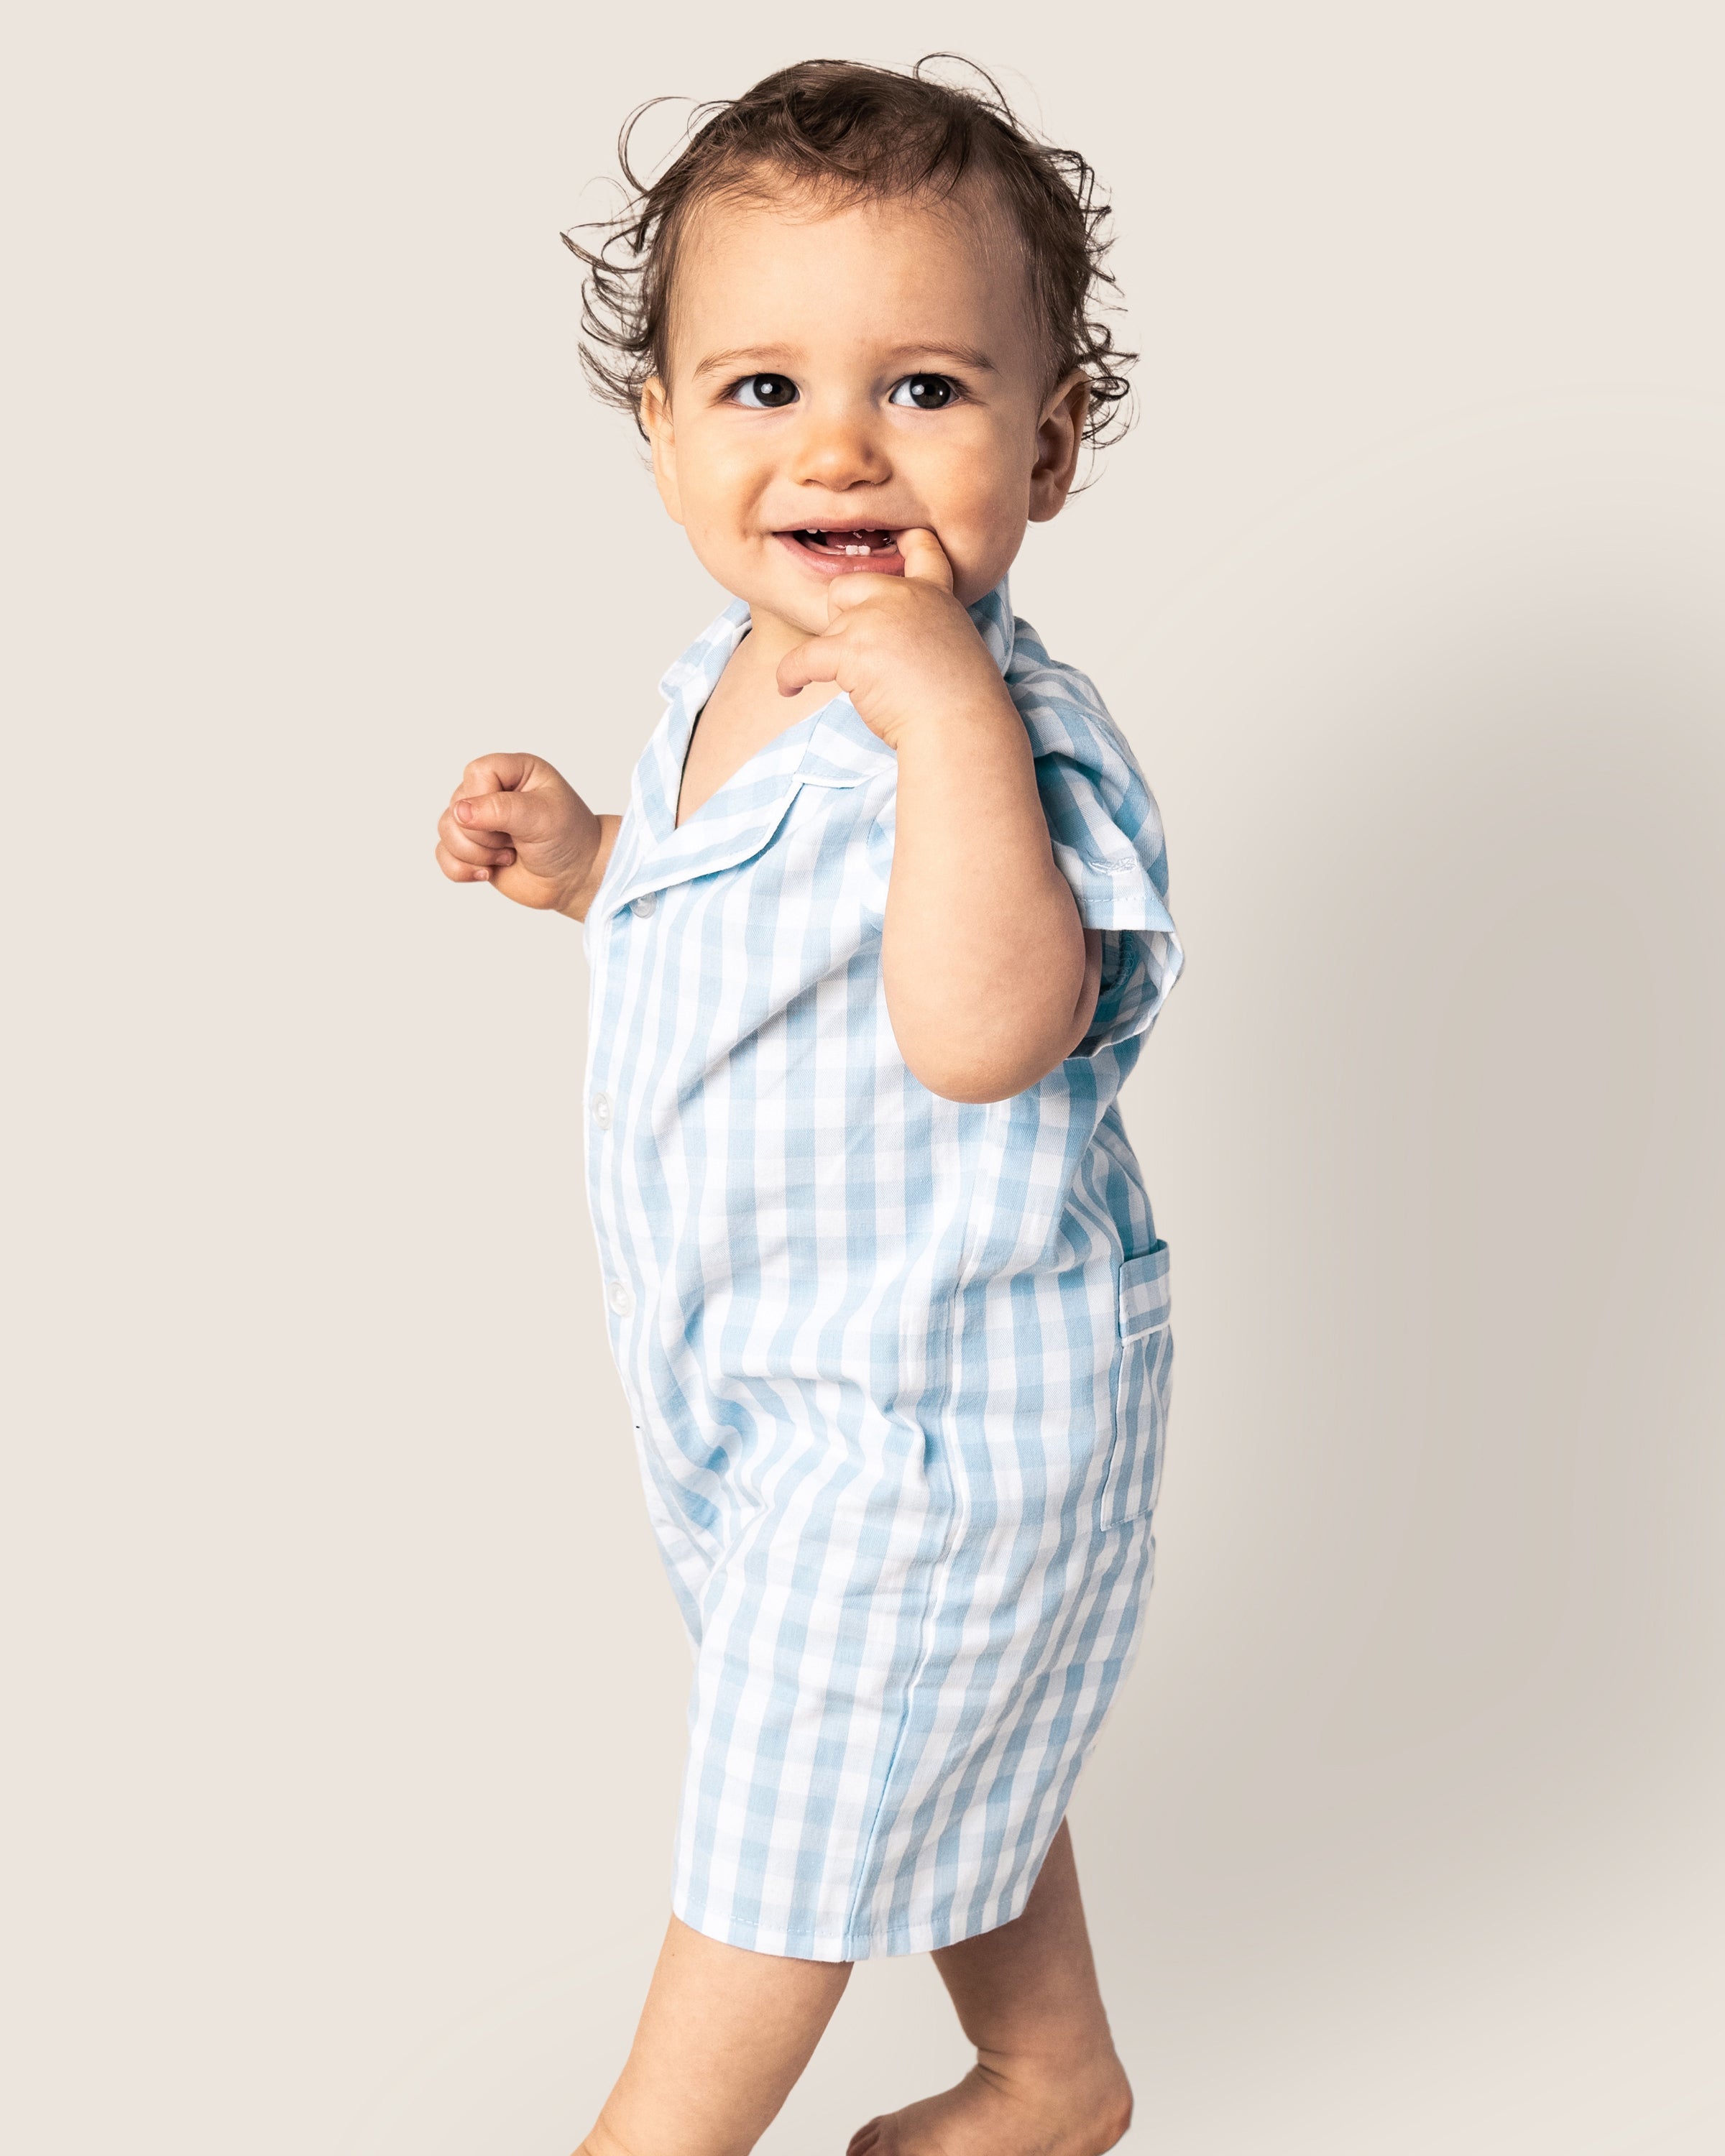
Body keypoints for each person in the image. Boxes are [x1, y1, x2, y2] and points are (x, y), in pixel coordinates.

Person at [434, 57, 1184, 2156]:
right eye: (762, 389)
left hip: (941, 1413)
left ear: (1047, 442)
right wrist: (596, 860)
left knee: (791, 1802)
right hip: (754, 1380)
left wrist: (946, 719)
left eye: (927, 390)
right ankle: (1052, 2077)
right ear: (663, 428)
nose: (840, 446)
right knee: (909, 1744)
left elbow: (985, 1025)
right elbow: (747, 923)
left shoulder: (1003, 732)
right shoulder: (727, 670)